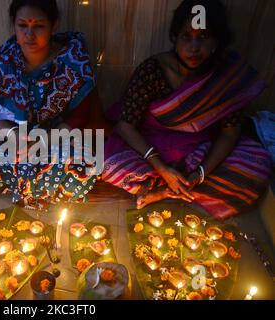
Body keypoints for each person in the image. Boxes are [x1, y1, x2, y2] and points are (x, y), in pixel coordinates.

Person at [102, 0, 272, 220]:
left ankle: (166, 190)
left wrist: (199, 174)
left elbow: (230, 133)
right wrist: (162, 168)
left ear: (217, 40)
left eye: (203, 37)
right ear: (175, 37)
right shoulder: (154, 69)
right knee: (104, 160)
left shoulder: (226, 76)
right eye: (186, 36)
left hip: (198, 150)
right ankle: (170, 188)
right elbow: (125, 127)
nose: (193, 47)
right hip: (149, 148)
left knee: (256, 166)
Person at [0, 0, 107, 210]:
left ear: (54, 25)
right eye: (22, 25)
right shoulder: (6, 57)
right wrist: (12, 136)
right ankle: (34, 184)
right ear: (14, 25)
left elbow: (80, 119)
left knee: (85, 165)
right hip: (12, 139)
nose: (29, 34)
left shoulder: (72, 60)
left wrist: (42, 141)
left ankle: (19, 182)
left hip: (56, 140)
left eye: (39, 26)